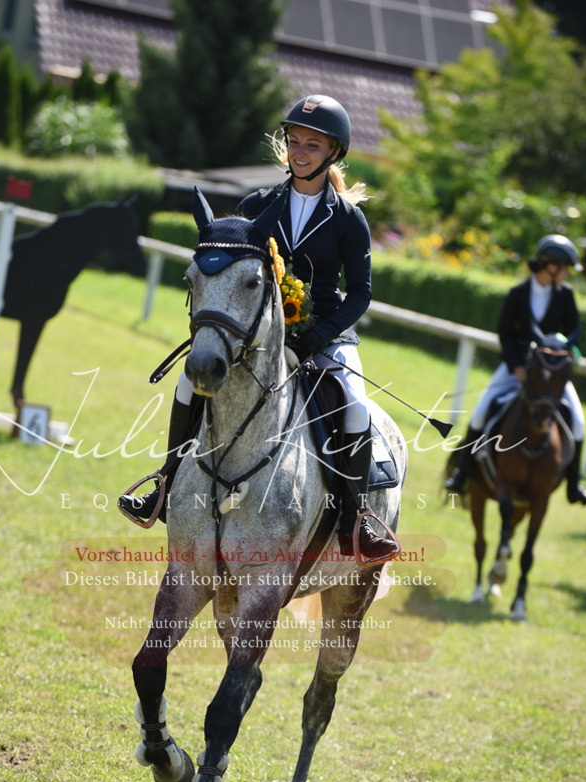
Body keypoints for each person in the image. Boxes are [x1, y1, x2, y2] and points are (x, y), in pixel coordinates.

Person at [124, 94, 398, 561]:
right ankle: (165, 487)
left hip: (325, 333)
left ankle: (356, 521)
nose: (300, 152)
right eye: (294, 142)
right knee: (189, 388)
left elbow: (360, 294)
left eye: (313, 145)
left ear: (333, 152)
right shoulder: (257, 204)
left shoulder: (349, 220)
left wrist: (319, 334)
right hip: (255, 332)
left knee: (355, 408)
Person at [445, 234, 586, 505]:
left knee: (579, 422)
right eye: (566, 267)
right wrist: (516, 367)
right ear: (551, 266)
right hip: (517, 369)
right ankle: (462, 472)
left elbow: (573, 334)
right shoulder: (518, 294)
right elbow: (506, 333)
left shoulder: (566, 294)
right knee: (480, 411)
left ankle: (573, 485)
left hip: (550, 374)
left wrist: (562, 362)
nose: (568, 274)